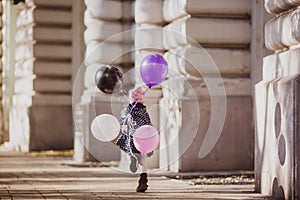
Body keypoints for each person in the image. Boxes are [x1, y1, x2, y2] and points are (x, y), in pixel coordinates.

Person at [115, 87, 152, 192]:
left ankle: (143, 179)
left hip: (140, 137)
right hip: (137, 136)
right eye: (134, 95)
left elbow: (146, 121)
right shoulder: (131, 109)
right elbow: (126, 120)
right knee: (138, 157)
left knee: (139, 157)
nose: (136, 96)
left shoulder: (140, 110)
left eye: (138, 94)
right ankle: (138, 169)